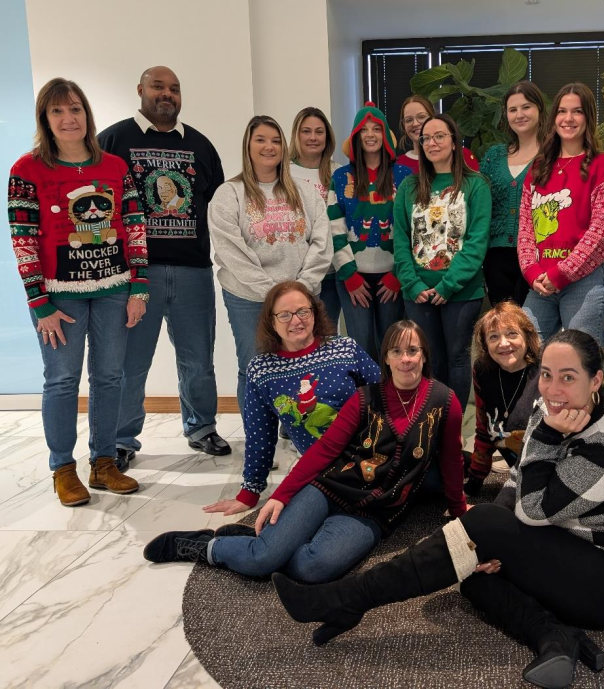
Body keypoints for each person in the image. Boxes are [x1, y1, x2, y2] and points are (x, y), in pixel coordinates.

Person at [272, 329, 604, 689]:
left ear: (595, 381)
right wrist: (493, 544)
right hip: (570, 541)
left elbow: (530, 509)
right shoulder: (552, 411)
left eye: (568, 376)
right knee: (471, 571)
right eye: (546, 374)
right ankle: (552, 635)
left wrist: (497, 529)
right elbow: (518, 480)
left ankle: (346, 599)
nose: (552, 388)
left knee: (479, 529)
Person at [144, 320, 467, 585]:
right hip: (329, 488)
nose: (406, 359)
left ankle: (269, 541)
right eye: (397, 351)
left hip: (373, 512)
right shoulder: (365, 398)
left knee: (310, 569)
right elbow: (324, 451)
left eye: (413, 350)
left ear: (425, 356)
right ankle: (207, 546)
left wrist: (459, 508)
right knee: (262, 560)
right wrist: (282, 495)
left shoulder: (445, 401)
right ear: (386, 358)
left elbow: (451, 459)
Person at [8, 78, 146, 506]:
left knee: (109, 377)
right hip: (58, 298)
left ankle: (104, 463)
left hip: (113, 289)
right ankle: (62, 469)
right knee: (62, 380)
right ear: (45, 120)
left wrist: (138, 286)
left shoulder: (116, 167)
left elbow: (135, 227)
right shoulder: (25, 170)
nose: (68, 119)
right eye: (57, 112)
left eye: (75, 110)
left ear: (87, 115)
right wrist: (38, 303)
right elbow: (23, 238)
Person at [98, 65, 230, 470]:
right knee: (132, 361)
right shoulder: (114, 140)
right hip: (138, 273)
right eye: (158, 87)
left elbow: (218, 207)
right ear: (140, 90)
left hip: (192, 269)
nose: (167, 94)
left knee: (197, 358)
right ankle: (122, 439)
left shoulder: (200, 145)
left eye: (174, 88)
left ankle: (201, 427)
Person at [202, 281, 379, 516]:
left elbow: (386, 397)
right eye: (284, 315)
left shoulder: (345, 348)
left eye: (303, 311)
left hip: (370, 458)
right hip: (318, 471)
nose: (296, 321)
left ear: (314, 313)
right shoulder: (262, 370)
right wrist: (250, 492)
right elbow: (259, 436)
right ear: (271, 321)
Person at [208, 115, 331, 412]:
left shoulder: (303, 192)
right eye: (261, 139)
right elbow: (230, 250)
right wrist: (274, 296)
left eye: (276, 140)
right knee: (255, 366)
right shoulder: (229, 194)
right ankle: (259, 436)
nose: (269, 146)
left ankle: (297, 429)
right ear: (248, 146)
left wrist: (300, 291)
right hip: (249, 298)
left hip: (302, 296)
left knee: (302, 365)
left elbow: (322, 240)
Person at [393, 114, 491, 408]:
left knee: (457, 357)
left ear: (454, 141)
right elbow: (400, 240)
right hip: (418, 290)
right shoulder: (410, 188)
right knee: (426, 357)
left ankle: (453, 420)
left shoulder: (476, 185)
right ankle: (429, 419)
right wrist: (411, 283)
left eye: (439, 136)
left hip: (461, 291)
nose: (432, 143)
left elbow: (476, 241)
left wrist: (449, 285)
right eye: (426, 138)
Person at [518, 82, 604, 348]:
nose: (569, 118)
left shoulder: (603, 165)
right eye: (562, 111)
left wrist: (561, 274)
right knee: (528, 355)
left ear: (588, 117)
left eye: (577, 111)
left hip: (584, 284)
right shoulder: (539, 167)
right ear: (554, 118)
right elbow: (526, 227)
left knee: (581, 364)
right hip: (541, 283)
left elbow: (602, 234)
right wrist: (532, 271)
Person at [328, 103, 411, 360]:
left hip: (391, 276)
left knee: (392, 344)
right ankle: (366, 399)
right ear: (356, 136)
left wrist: (398, 272)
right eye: (364, 130)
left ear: (386, 134)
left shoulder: (404, 176)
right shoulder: (341, 177)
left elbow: (411, 228)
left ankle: (391, 398)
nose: (371, 134)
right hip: (353, 277)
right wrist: (348, 274)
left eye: (377, 129)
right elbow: (334, 227)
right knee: (360, 344)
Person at [480, 81, 547, 306]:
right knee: (505, 326)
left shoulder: (552, 155)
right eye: (513, 109)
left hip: (539, 254)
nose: (520, 114)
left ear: (539, 109)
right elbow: (479, 203)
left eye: (526, 107)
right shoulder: (494, 156)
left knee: (534, 327)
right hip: (496, 256)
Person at [465, 302, 540, 497]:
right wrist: (475, 480)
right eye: (494, 337)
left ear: (527, 336)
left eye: (512, 334)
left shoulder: (545, 369)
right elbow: (483, 429)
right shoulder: (483, 370)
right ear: (485, 344)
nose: (503, 343)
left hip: (548, 464)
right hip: (516, 465)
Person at [289, 107, 342, 329]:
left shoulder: (339, 172)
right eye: (306, 131)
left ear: (327, 136)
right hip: (297, 274)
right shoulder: (285, 173)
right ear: (296, 135)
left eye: (319, 132)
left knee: (326, 337)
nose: (313, 137)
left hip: (332, 272)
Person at [395, 94, 479, 174]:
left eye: (421, 117)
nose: (415, 123)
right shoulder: (398, 166)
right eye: (409, 120)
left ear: (433, 117)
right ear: (403, 126)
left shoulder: (463, 157)